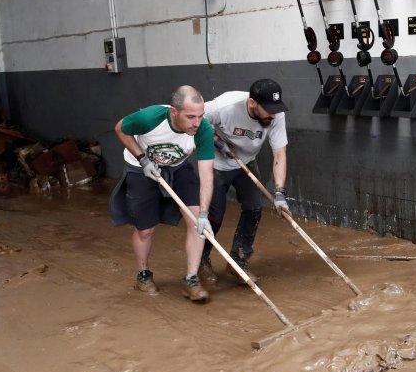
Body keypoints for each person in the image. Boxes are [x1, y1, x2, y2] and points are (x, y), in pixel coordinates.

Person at [109, 85, 216, 303]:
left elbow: (207, 175)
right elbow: (120, 128)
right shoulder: (149, 118)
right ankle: (143, 275)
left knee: (197, 223)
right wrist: (142, 158)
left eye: (201, 116)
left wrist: (204, 213)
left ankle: (191, 280)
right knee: (145, 229)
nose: (197, 123)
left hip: (178, 166)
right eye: (191, 117)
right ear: (174, 112)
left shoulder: (203, 129)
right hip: (140, 168)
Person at [199, 78, 290, 284]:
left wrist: (279, 192)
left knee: (254, 207)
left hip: (246, 162)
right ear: (252, 103)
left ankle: (237, 262)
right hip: (216, 164)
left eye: (275, 109)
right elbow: (195, 121)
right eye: (268, 109)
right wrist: (215, 140)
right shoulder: (225, 106)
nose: (273, 114)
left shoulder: (276, 115)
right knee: (214, 215)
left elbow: (279, 154)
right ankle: (201, 261)